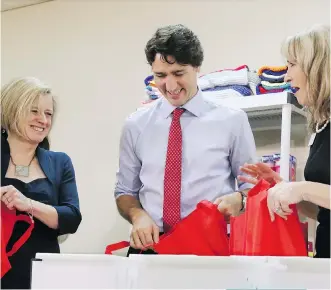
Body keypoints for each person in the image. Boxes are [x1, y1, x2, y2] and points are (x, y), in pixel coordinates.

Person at [114, 24, 257, 256]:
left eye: (179, 73)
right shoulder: (135, 125)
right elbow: (124, 191)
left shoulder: (232, 121)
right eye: (160, 76)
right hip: (151, 248)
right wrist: (137, 215)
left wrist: (239, 200)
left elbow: (253, 190)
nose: (170, 86)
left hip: (208, 246)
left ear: (197, 67)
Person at [232, 24, 330, 258]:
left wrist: (302, 189)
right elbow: (323, 213)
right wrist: (282, 188)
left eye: (292, 64)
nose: (286, 75)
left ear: (317, 66)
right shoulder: (322, 128)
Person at [1, 77, 82, 288]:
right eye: (34, 111)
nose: (43, 120)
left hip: (45, 275)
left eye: (48, 114)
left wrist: (28, 204)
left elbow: (71, 218)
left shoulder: (60, 162)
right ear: (12, 110)